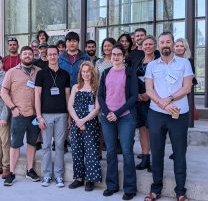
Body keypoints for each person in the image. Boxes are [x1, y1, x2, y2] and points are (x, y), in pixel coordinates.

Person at [144, 32, 193, 201]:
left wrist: (170, 99)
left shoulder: (184, 63)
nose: (165, 45)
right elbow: (149, 90)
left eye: (168, 42)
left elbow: (187, 87)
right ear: (158, 46)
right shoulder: (151, 65)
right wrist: (162, 103)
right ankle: (155, 190)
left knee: (179, 153)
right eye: (162, 42)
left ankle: (180, 192)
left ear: (173, 44)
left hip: (179, 114)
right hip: (156, 114)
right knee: (156, 153)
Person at [98, 44, 138, 200]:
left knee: (127, 152)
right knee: (111, 152)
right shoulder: (106, 72)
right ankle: (112, 185)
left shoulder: (129, 73)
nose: (115, 57)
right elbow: (100, 95)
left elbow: (134, 96)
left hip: (125, 117)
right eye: (113, 54)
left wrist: (117, 113)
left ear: (124, 55)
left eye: (119, 54)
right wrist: (108, 113)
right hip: (108, 118)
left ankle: (130, 189)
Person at [1, 46, 41, 186]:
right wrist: (12, 108)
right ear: (20, 55)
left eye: (30, 54)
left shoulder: (39, 72)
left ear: (33, 56)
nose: (27, 56)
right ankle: (11, 173)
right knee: (15, 143)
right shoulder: (12, 72)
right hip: (19, 114)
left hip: (35, 115)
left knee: (32, 142)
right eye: (25, 53)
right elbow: (4, 92)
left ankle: (30, 170)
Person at [34, 45, 70, 187]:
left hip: (62, 114)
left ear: (58, 56)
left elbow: (67, 95)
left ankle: (59, 175)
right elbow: (37, 95)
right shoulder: (41, 74)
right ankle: (47, 175)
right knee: (46, 146)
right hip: (46, 115)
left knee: (60, 146)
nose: (53, 57)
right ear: (46, 56)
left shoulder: (65, 74)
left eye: (55, 54)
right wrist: (39, 116)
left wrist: (69, 115)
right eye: (50, 54)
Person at [67, 61, 102, 192]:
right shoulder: (76, 87)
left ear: (92, 72)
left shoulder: (96, 87)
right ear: (80, 73)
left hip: (90, 123)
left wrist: (84, 121)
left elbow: (97, 108)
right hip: (77, 123)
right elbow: (70, 105)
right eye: (83, 72)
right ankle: (79, 178)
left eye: (88, 71)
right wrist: (77, 121)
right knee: (76, 151)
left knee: (91, 152)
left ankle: (90, 179)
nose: (86, 74)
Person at [132, 36, 160, 171]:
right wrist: (136, 95)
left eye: (150, 44)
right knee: (142, 129)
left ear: (155, 46)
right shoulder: (138, 60)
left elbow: (162, 83)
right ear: (142, 47)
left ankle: (156, 161)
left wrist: (148, 95)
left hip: (155, 100)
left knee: (154, 131)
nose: (148, 46)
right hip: (139, 101)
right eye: (145, 44)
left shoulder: (159, 61)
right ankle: (145, 158)